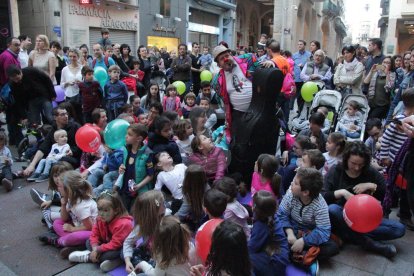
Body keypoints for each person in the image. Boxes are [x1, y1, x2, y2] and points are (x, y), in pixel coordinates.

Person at [323, 142, 405, 258]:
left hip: (364, 218)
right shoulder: (336, 171)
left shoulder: (369, 172)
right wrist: (342, 193)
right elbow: (322, 195)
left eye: (360, 164)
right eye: (353, 163)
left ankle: (349, 236)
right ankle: (370, 244)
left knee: (399, 229)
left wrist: (371, 185)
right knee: (333, 209)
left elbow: (386, 194)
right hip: (341, 216)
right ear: (346, 159)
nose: (357, 168)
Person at [278, 168, 339, 273]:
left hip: (309, 232)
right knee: (275, 232)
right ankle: (307, 256)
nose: (291, 183)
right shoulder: (290, 194)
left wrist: (303, 241)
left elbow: (323, 231)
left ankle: (299, 256)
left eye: (295, 183)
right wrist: (290, 233)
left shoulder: (320, 204)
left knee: (333, 248)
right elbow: (281, 214)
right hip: (293, 228)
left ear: (305, 192)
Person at [39, 170, 98, 259]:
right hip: (79, 225)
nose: (58, 188)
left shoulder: (81, 206)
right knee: (56, 223)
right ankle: (72, 243)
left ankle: (59, 241)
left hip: (93, 232)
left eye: (60, 186)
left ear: (68, 189)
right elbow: (64, 218)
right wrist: (63, 204)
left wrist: (72, 229)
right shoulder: (71, 199)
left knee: (74, 236)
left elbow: (91, 227)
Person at [68, 192, 133, 272]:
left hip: (119, 248)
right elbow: (94, 234)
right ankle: (99, 257)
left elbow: (115, 244)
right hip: (106, 244)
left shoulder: (124, 224)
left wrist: (98, 250)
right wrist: (95, 247)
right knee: (88, 242)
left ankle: (90, 257)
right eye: (99, 209)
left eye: (106, 210)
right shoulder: (100, 219)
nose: (101, 213)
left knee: (114, 253)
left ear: (116, 211)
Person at [23, 106, 81, 176]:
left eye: (66, 114)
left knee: (62, 161)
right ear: (55, 117)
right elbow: (43, 148)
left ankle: (47, 171)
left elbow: (81, 145)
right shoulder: (53, 130)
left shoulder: (75, 126)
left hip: (71, 157)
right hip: (55, 157)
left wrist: (72, 150)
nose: (66, 116)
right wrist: (32, 165)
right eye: (62, 114)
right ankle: (45, 171)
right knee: (35, 159)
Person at [123, 190, 166, 274]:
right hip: (149, 254)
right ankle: (133, 265)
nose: (165, 204)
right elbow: (128, 243)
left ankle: (141, 268)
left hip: (162, 257)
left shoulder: (167, 222)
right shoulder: (142, 226)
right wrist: (127, 261)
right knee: (125, 252)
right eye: (162, 202)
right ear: (153, 210)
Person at [113, 124, 154, 212]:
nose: (126, 136)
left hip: (139, 191)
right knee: (124, 212)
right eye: (126, 133)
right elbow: (124, 166)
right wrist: (121, 169)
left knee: (135, 213)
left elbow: (150, 175)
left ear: (139, 139)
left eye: (130, 134)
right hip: (125, 189)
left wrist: (139, 186)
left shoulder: (147, 154)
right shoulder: (125, 149)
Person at [249, 191, 290, 275]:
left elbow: (251, 248)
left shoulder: (260, 226)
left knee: (244, 257)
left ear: (254, 207)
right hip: (283, 256)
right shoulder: (272, 216)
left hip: (275, 264)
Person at [30, 161, 73, 230]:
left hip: (72, 214)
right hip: (66, 210)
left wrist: (53, 202)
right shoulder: (59, 187)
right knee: (46, 208)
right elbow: (62, 200)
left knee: (47, 212)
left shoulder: (70, 187)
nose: (58, 178)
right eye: (56, 176)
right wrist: (52, 202)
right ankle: (51, 223)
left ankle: (51, 228)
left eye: (62, 175)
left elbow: (68, 204)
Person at [176, 164, 208, 231]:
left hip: (199, 220)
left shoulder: (189, 194)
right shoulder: (206, 187)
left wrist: (169, 221)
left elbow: (181, 214)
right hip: (197, 215)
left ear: (188, 179)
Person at [60, 48, 83, 123]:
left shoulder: (83, 68)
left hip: (80, 96)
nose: (72, 58)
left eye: (74, 56)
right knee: (70, 117)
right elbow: (61, 85)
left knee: (80, 117)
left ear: (78, 57)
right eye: (70, 56)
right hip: (69, 96)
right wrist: (68, 83)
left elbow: (87, 82)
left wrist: (81, 83)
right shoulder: (65, 69)